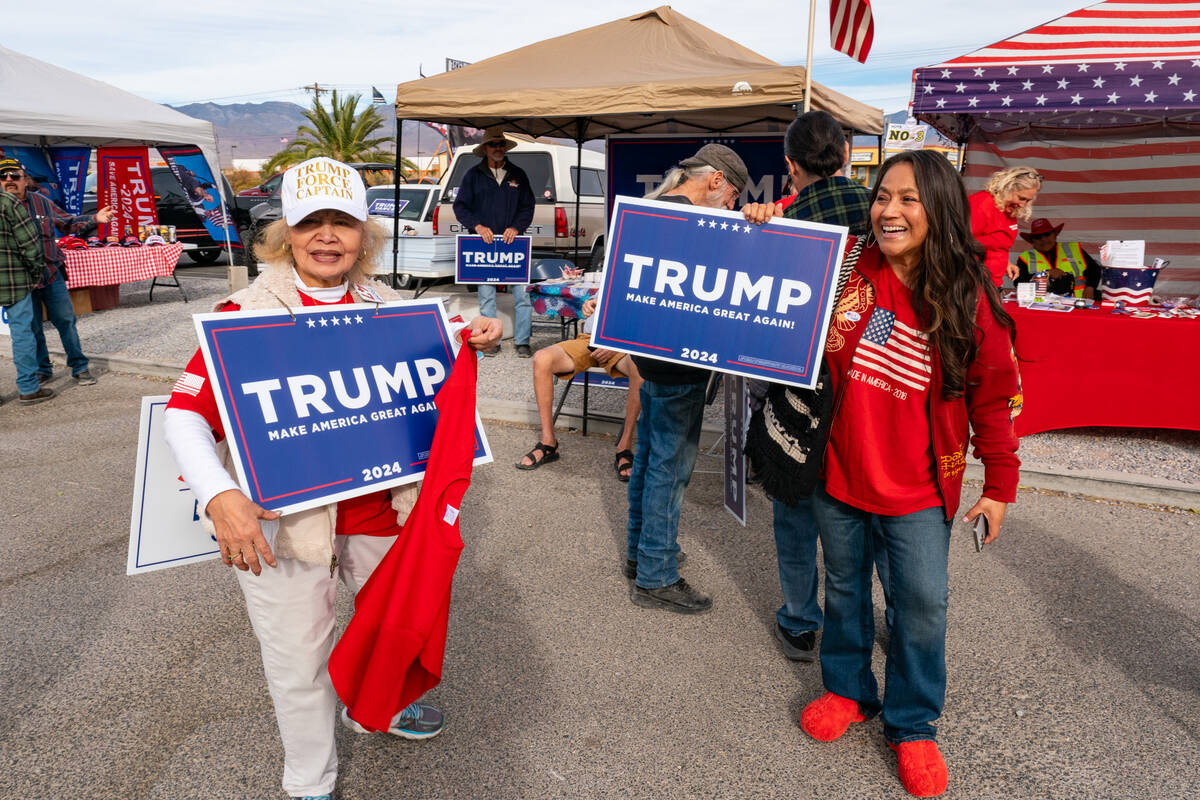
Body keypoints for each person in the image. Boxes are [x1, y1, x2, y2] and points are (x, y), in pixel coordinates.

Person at [162, 157, 500, 800]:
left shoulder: (393, 308)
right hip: (288, 527)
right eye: (309, 222)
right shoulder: (243, 314)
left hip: (383, 516)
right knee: (297, 663)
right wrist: (221, 495)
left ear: (363, 234)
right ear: (285, 233)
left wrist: (490, 329)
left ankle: (380, 705)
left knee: (394, 629)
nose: (326, 236)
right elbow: (185, 416)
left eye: (341, 222)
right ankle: (310, 781)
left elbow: (462, 340)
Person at [797, 150, 1020, 798]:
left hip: (921, 490)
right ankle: (847, 690)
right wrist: (761, 222)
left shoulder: (966, 295)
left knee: (921, 605)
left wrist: (1000, 485)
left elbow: (993, 398)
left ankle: (913, 723)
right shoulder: (846, 266)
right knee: (843, 589)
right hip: (838, 475)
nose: (888, 210)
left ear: (940, 211)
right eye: (882, 197)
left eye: (907, 200)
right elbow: (779, 279)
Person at [740, 111, 883, 661]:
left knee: (794, 506)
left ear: (789, 165)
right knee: (855, 510)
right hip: (864, 374)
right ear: (846, 155)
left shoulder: (778, 220)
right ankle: (866, 617)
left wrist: (753, 219)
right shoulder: (880, 211)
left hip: (794, 381)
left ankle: (800, 618)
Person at [625, 143, 748, 615]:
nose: (733, 207)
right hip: (681, 363)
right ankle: (657, 573)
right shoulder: (696, 222)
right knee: (669, 471)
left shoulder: (652, 210)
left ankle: (643, 555)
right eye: (733, 195)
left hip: (651, 358)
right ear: (715, 180)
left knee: (650, 459)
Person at [0, 158, 112, 386]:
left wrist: (94, 218)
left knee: (66, 321)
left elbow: (68, 223)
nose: (9, 180)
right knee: (31, 329)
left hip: (51, 273)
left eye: (15, 176)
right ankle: (43, 369)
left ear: (25, 180)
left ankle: (79, 367)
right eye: (3, 177)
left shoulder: (42, 202)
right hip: (20, 281)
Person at [515, 297, 643, 480]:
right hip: (589, 338)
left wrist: (618, 344)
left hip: (624, 343)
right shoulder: (614, 270)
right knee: (541, 358)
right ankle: (548, 442)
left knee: (640, 369)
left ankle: (624, 447)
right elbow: (604, 302)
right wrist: (591, 302)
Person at [452, 127, 535, 357]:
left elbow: (528, 206)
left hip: (513, 246)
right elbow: (460, 207)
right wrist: (477, 226)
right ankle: (491, 341)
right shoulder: (472, 176)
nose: (497, 148)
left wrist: (516, 227)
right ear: (485, 149)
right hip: (483, 247)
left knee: (522, 296)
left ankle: (523, 341)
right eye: (493, 145)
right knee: (486, 296)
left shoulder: (518, 174)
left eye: (501, 144)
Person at [0, 189, 51, 404]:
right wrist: (36, 271)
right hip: (14, 279)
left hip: (14, 278)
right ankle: (29, 388)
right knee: (22, 334)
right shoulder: (7, 201)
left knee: (22, 333)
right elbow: (30, 243)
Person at [968, 166, 1042, 288]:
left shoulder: (1008, 208)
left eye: (1028, 201)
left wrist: (1005, 263)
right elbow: (958, 244)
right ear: (1007, 188)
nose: (1023, 204)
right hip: (973, 283)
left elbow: (994, 243)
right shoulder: (981, 204)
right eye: (1021, 198)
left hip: (991, 282)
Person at [1015, 217, 1101, 298]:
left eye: (1047, 234)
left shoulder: (1074, 249)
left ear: (1055, 235)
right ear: (1032, 241)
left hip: (1078, 303)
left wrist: (1090, 287)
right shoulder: (1025, 258)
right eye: (1038, 237)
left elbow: (1094, 269)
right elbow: (1018, 283)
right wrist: (1046, 274)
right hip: (1041, 305)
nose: (1043, 239)